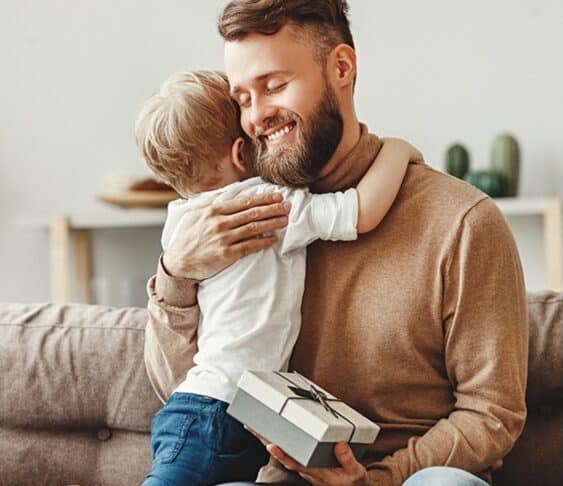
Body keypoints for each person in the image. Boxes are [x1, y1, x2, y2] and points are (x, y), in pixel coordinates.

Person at [144, 1, 528, 485]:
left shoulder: (462, 222)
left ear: (341, 67)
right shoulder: (230, 218)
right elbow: (176, 389)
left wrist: (378, 479)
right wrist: (177, 274)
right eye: (242, 98)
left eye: (275, 85)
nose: (258, 116)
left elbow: (492, 412)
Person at [135, 69, 420, 485]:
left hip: (208, 408)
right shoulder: (267, 205)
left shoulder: (181, 223)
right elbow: (362, 211)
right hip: (221, 409)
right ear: (240, 153)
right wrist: (397, 149)